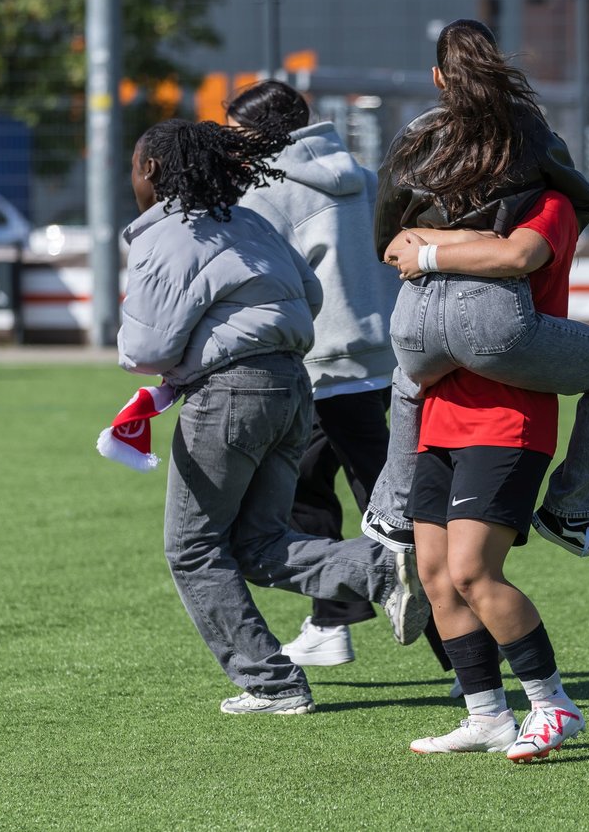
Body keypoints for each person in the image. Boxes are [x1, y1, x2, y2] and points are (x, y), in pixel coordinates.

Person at [116, 118, 428, 715]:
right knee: (260, 542)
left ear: (151, 171)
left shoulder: (163, 237)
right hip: (292, 384)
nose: (131, 177)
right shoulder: (250, 221)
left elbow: (144, 350)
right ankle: (382, 568)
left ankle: (271, 682)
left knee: (193, 549)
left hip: (226, 396)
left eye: (134, 165)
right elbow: (309, 293)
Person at [361, 18, 589, 559]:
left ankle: (393, 514)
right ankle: (571, 509)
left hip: (414, 318)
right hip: (489, 315)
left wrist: (430, 241)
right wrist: (478, 235)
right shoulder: (526, 130)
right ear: (494, 65)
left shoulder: (415, 135)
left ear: (439, 76)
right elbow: (581, 195)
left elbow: (385, 240)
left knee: (405, 382)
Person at [226, 80, 453, 674]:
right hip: (384, 360)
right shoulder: (364, 175)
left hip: (319, 366)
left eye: (232, 129)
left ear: (253, 135)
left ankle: (459, 654)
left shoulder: (265, 193)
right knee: (318, 489)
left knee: (389, 516)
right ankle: (333, 622)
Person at [399, 189, 585, 761]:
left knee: (474, 571)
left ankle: (552, 704)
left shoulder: (549, 202)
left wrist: (438, 249)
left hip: (508, 417)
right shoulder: (456, 209)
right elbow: (397, 245)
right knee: (435, 577)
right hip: (439, 416)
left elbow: (519, 256)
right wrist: (465, 242)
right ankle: (487, 715)